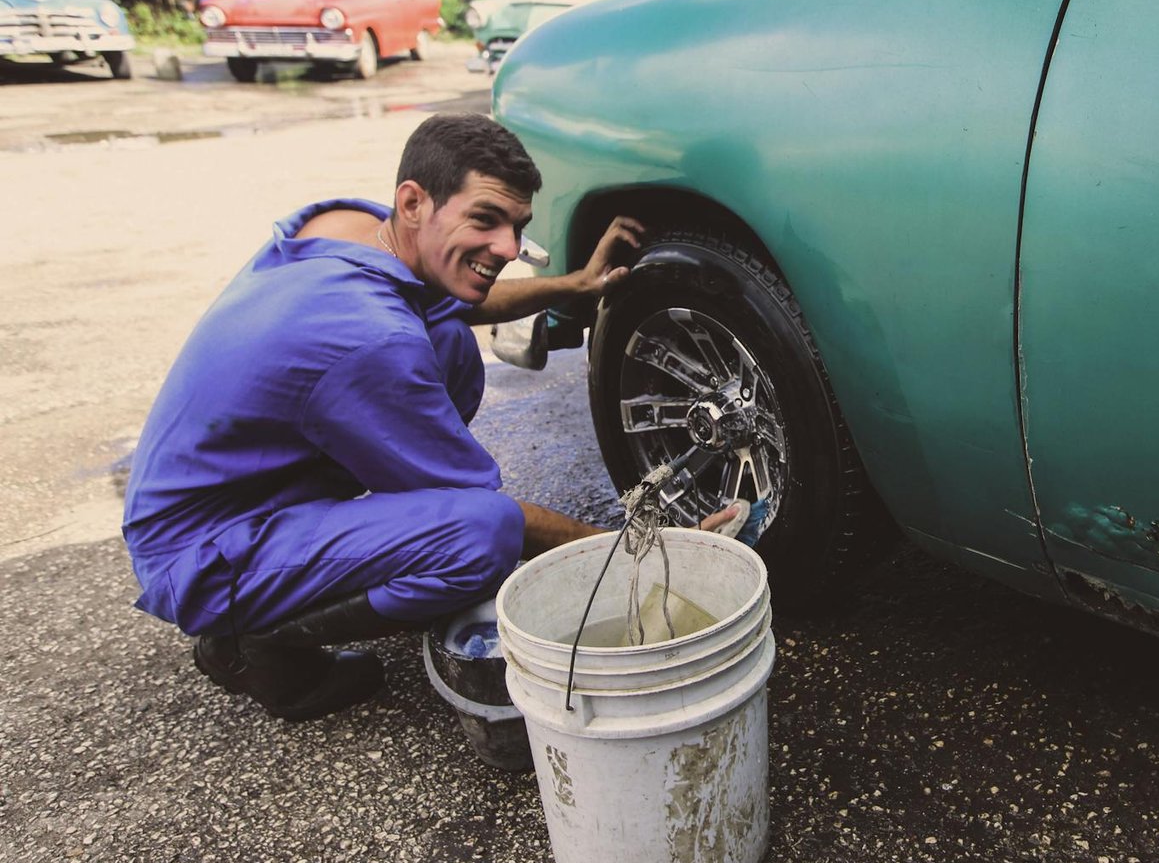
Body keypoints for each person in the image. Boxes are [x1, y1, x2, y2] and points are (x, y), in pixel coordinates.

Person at [123, 113, 734, 722]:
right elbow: (499, 517)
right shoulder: (371, 340)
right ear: (414, 201)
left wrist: (571, 285)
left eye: (516, 226)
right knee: (477, 535)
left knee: (445, 339)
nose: (507, 248)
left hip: (233, 485)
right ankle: (253, 640)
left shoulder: (352, 227)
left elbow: (445, 298)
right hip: (202, 555)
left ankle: (357, 541)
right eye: (485, 220)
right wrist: (649, 552)